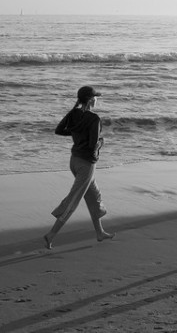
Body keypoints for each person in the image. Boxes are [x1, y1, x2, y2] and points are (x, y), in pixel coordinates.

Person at [44, 86, 115, 249]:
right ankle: (51, 234)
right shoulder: (94, 119)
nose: (97, 100)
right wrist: (100, 143)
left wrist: (78, 133)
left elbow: (59, 130)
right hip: (86, 164)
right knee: (73, 200)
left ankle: (99, 233)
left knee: (94, 196)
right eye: (95, 97)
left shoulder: (73, 113)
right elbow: (92, 146)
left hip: (74, 161)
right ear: (90, 100)